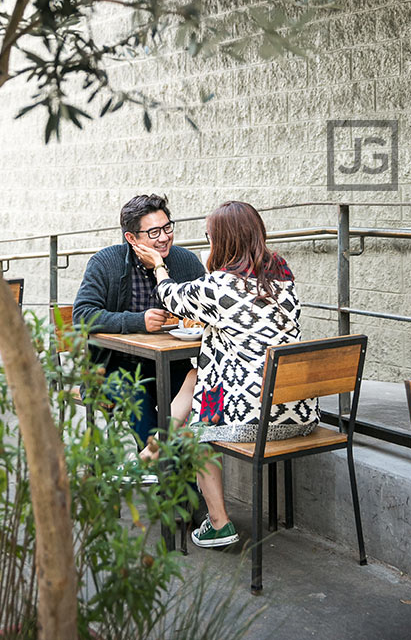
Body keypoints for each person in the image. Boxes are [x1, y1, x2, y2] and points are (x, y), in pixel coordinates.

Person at [131, 200, 319, 548]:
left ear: (224, 242)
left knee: (197, 430)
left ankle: (218, 523)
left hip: (258, 422)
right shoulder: (284, 279)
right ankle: (151, 453)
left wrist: (158, 265)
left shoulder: (220, 286)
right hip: (301, 415)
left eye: (210, 237)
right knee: (199, 375)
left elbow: (171, 297)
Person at [73, 193, 205, 446]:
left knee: (196, 396)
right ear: (131, 238)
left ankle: (181, 481)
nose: (164, 237)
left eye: (167, 228)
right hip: (112, 367)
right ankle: (158, 469)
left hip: (169, 366)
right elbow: (82, 315)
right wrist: (137, 321)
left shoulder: (185, 261)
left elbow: (204, 310)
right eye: (154, 232)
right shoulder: (106, 262)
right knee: (139, 401)